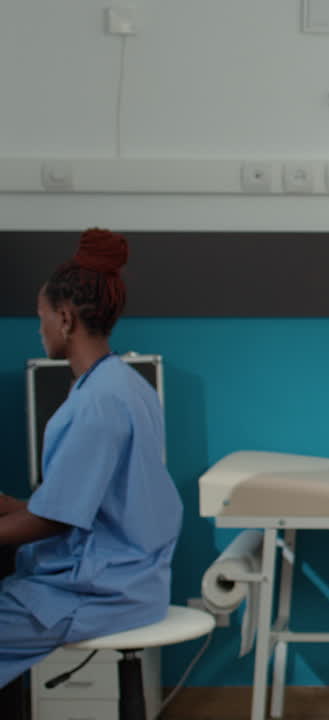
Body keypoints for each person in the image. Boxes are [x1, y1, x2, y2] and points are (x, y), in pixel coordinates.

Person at [0, 228, 181, 685]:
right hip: (131, 580)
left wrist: (22, 516)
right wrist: (8, 505)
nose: (37, 329)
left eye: (40, 317)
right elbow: (96, 504)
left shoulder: (97, 402)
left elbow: (56, 520)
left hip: (96, 594)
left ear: (64, 319)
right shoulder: (126, 384)